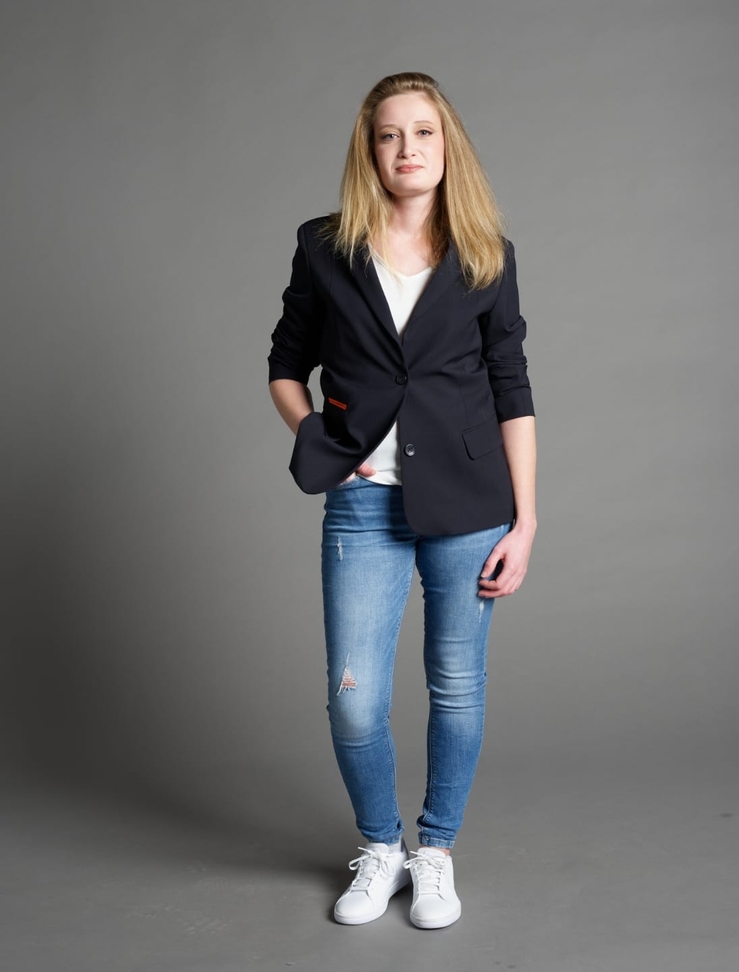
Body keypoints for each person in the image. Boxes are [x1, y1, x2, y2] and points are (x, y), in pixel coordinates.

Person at [268, 72, 536, 929]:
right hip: (363, 506)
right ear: (369, 149)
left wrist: (526, 521)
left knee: (455, 686)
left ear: (446, 145)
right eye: (389, 135)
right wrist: (320, 441)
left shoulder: (485, 251)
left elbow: (511, 388)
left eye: (423, 132)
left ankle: (435, 854)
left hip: (469, 505)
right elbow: (285, 365)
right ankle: (380, 846)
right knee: (354, 696)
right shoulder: (324, 246)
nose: (407, 148)